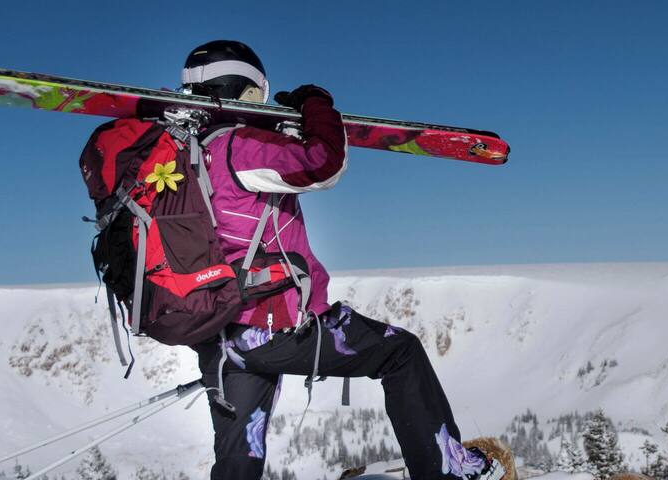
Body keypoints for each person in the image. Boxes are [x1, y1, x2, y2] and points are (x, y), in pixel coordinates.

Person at [170, 40, 510, 480]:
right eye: (257, 95)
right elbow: (322, 163)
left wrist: (288, 130)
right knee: (400, 353)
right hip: (272, 326)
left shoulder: (186, 153)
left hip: (216, 332)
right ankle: (449, 471)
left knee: (240, 453)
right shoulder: (241, 147)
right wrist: (317, 107)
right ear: (241, 89)